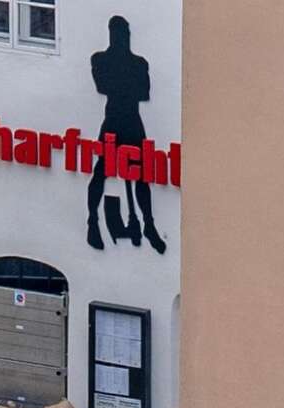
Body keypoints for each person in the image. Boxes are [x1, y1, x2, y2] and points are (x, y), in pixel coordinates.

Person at [86, 15, 166, 254]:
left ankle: (149, 224)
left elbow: (144, 93)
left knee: (141, 174)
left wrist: (119, 84)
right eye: (121, 33)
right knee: (100, 170)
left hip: (132, 120)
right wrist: (125, 85)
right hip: (113, 119)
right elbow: (102, 86)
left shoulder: (139, 62)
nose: (124, 38)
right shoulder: (101, 59)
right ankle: (92, 221)